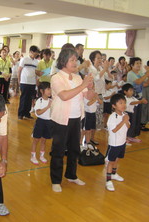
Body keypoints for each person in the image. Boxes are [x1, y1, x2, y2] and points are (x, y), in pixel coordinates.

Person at [50, 48, 93, 192]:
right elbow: (64, 96)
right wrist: (83, 85)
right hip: (61, 119)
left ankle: (71, 175)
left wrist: (90, 87)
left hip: (76, 118)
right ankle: (56, 180)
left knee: (74, 149)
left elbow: (88, 96)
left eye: (76, 60)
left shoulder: (77, 77)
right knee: (58, 151)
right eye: (72, 60)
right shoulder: (56, 78)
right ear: (63, 61)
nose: (76, 63)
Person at [106, 93, 130, 191]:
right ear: (114, 106)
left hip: (122, 142)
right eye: (120, 103)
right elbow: (114, 130)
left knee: (117, 159)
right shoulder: (112, 117)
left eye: (124, 102)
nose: (123, 105)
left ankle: (114, 174)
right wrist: (124, 121)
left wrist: (126, 121)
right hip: (114, 144)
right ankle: (108, 180)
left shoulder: (125, 115)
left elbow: (128, 126)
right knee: (111, 161)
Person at [127, 57, 149, 131]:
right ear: (132, 65)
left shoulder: (140, 73)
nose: (139, 65)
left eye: (140, 63)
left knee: (138, 115)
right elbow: (138, 82)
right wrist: (147, 73)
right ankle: (130, 133)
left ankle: (135, 132)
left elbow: (147, 83)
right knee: (132, 115)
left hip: (139, 96)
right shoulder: (130, 73)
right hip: (132, 97)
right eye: (137, 63)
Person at [30, 82, 52, 165]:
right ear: (42, 91)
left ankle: (42, 155)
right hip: (40, 122)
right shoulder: (40, 100)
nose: (50, 91)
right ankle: (33, 156)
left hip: (49, 122)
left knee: (44, 140)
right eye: (48, 89)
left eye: (50, 89)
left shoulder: (51, 100)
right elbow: (38, 112)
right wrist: (47, 107)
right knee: (36, 140)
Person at [17, 45, 40, 120]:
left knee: (30, 99)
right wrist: (19, 81)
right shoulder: (24, 59)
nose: (37, 54)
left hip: (32, 83)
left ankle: (27, 114)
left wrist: (37, 82)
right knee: (23, 98)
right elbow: (19, 70)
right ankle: (20, 114)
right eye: (36, 52)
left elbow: (36, 72)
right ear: (31, 52)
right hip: (24, 82)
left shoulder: (36, 61)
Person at [81, 82, 102, 150]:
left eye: (92, 84)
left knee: (89, 130)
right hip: (87, 114)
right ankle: (80, 143)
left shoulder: (94, 94)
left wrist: (97, 98)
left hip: (93, 114)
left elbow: (100, 102)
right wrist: (95, 98)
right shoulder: (85, 94)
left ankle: (88, 142)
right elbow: (88, 104)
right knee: (84, 130)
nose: (91, 85)